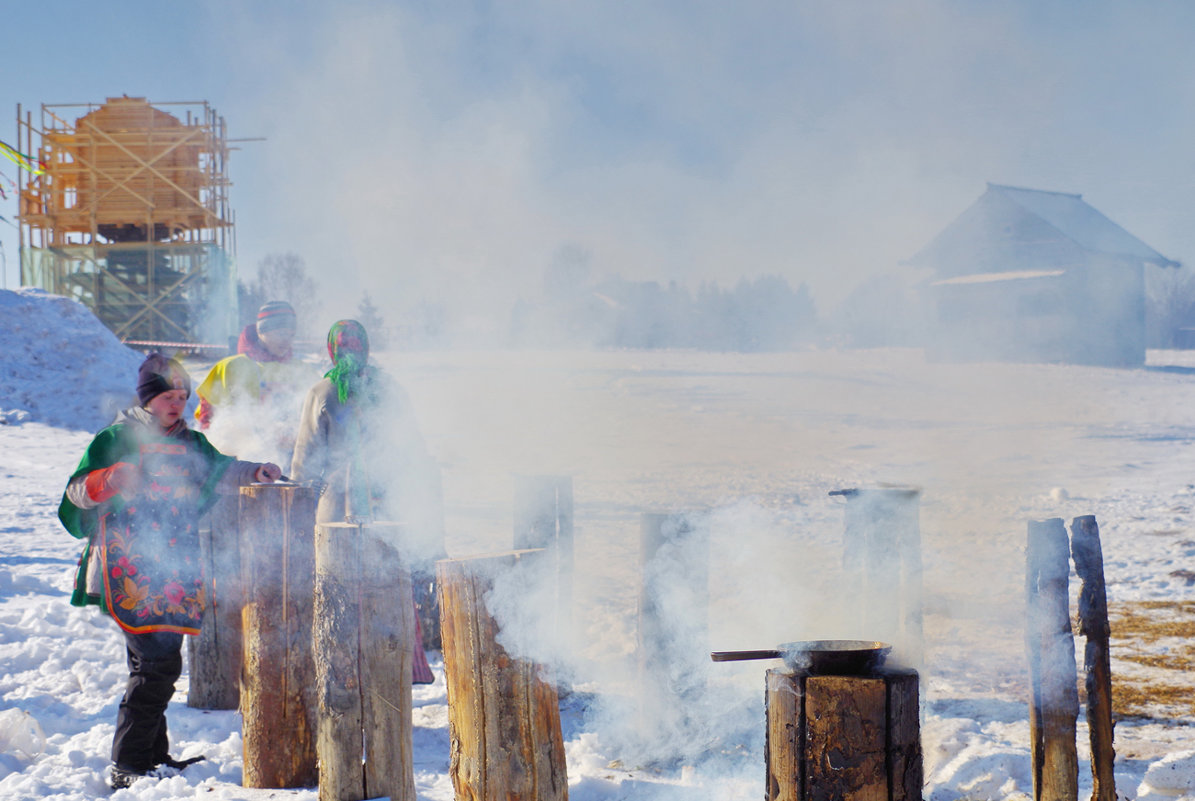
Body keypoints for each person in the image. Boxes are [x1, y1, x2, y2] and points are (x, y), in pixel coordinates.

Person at [59, 353, 282, 790]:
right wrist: (110, 479)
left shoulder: (190, 442)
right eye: (167, 396)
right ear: (148, 399)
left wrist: (254, 470)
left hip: (173, 569)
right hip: (127, 569)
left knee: (157, 663)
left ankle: (150, 755)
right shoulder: (116, 438)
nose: (177, 404)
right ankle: (128, 763)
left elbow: (218, 470)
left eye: (182, 396)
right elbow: (76, 491)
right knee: (156, 665)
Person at [290, 319, 445, 680]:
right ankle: (397, 667)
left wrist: (300, 497)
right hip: (388, 502)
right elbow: (413, 448)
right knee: (389, 583)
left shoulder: (322, 391)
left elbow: (306, 458)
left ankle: (345, 672)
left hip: (336, 507)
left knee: (341, 588)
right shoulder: (388, 389)